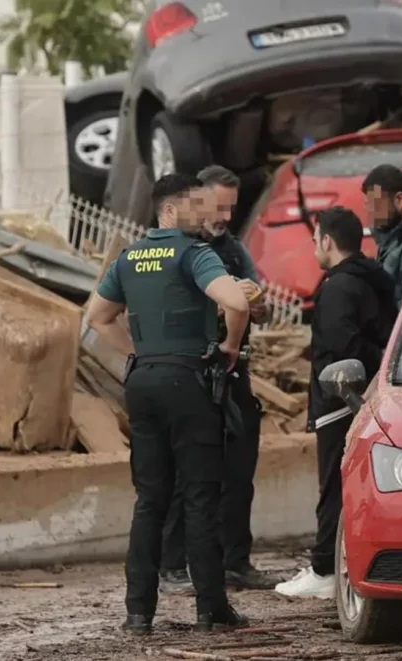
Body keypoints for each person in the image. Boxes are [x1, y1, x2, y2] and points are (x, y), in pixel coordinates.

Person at [87, 173, 251, 634]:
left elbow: (97, 318)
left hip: (142, 384)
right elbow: (236, 301)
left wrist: (135, 351)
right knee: (200, 497)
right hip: (188, 382)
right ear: (171, 210)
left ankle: (138, 612)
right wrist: (230, 347)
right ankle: (211, 608)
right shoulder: (194, 254)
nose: (205, 215)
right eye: (196, 206)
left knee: (150, 500)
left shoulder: (129, 257)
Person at [158, 165, 279, 594]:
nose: (225, 216)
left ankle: (235, 562)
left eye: (231, 208)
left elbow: (257, 301)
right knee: (183, 472)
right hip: (190, 373)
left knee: (239, 468)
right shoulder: (175, 248)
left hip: (232, 372)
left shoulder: (231, 249)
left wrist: (258, 307)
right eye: (217, 206)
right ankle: (172, 565)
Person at [274, 207, 397, 598]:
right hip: (365, 397)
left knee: (332, 486)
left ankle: (325, 568)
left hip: (339, 402)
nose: (314, 248)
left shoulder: (338, 288)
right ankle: (333, 563)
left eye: (314, 241)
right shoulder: (374, 279)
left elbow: (341, 346)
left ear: (327, 240)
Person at [361, 164, 402, 307]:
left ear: (399, 200)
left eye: (375, 205)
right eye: (368, 205)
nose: (371, 213)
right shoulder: (390, 235)